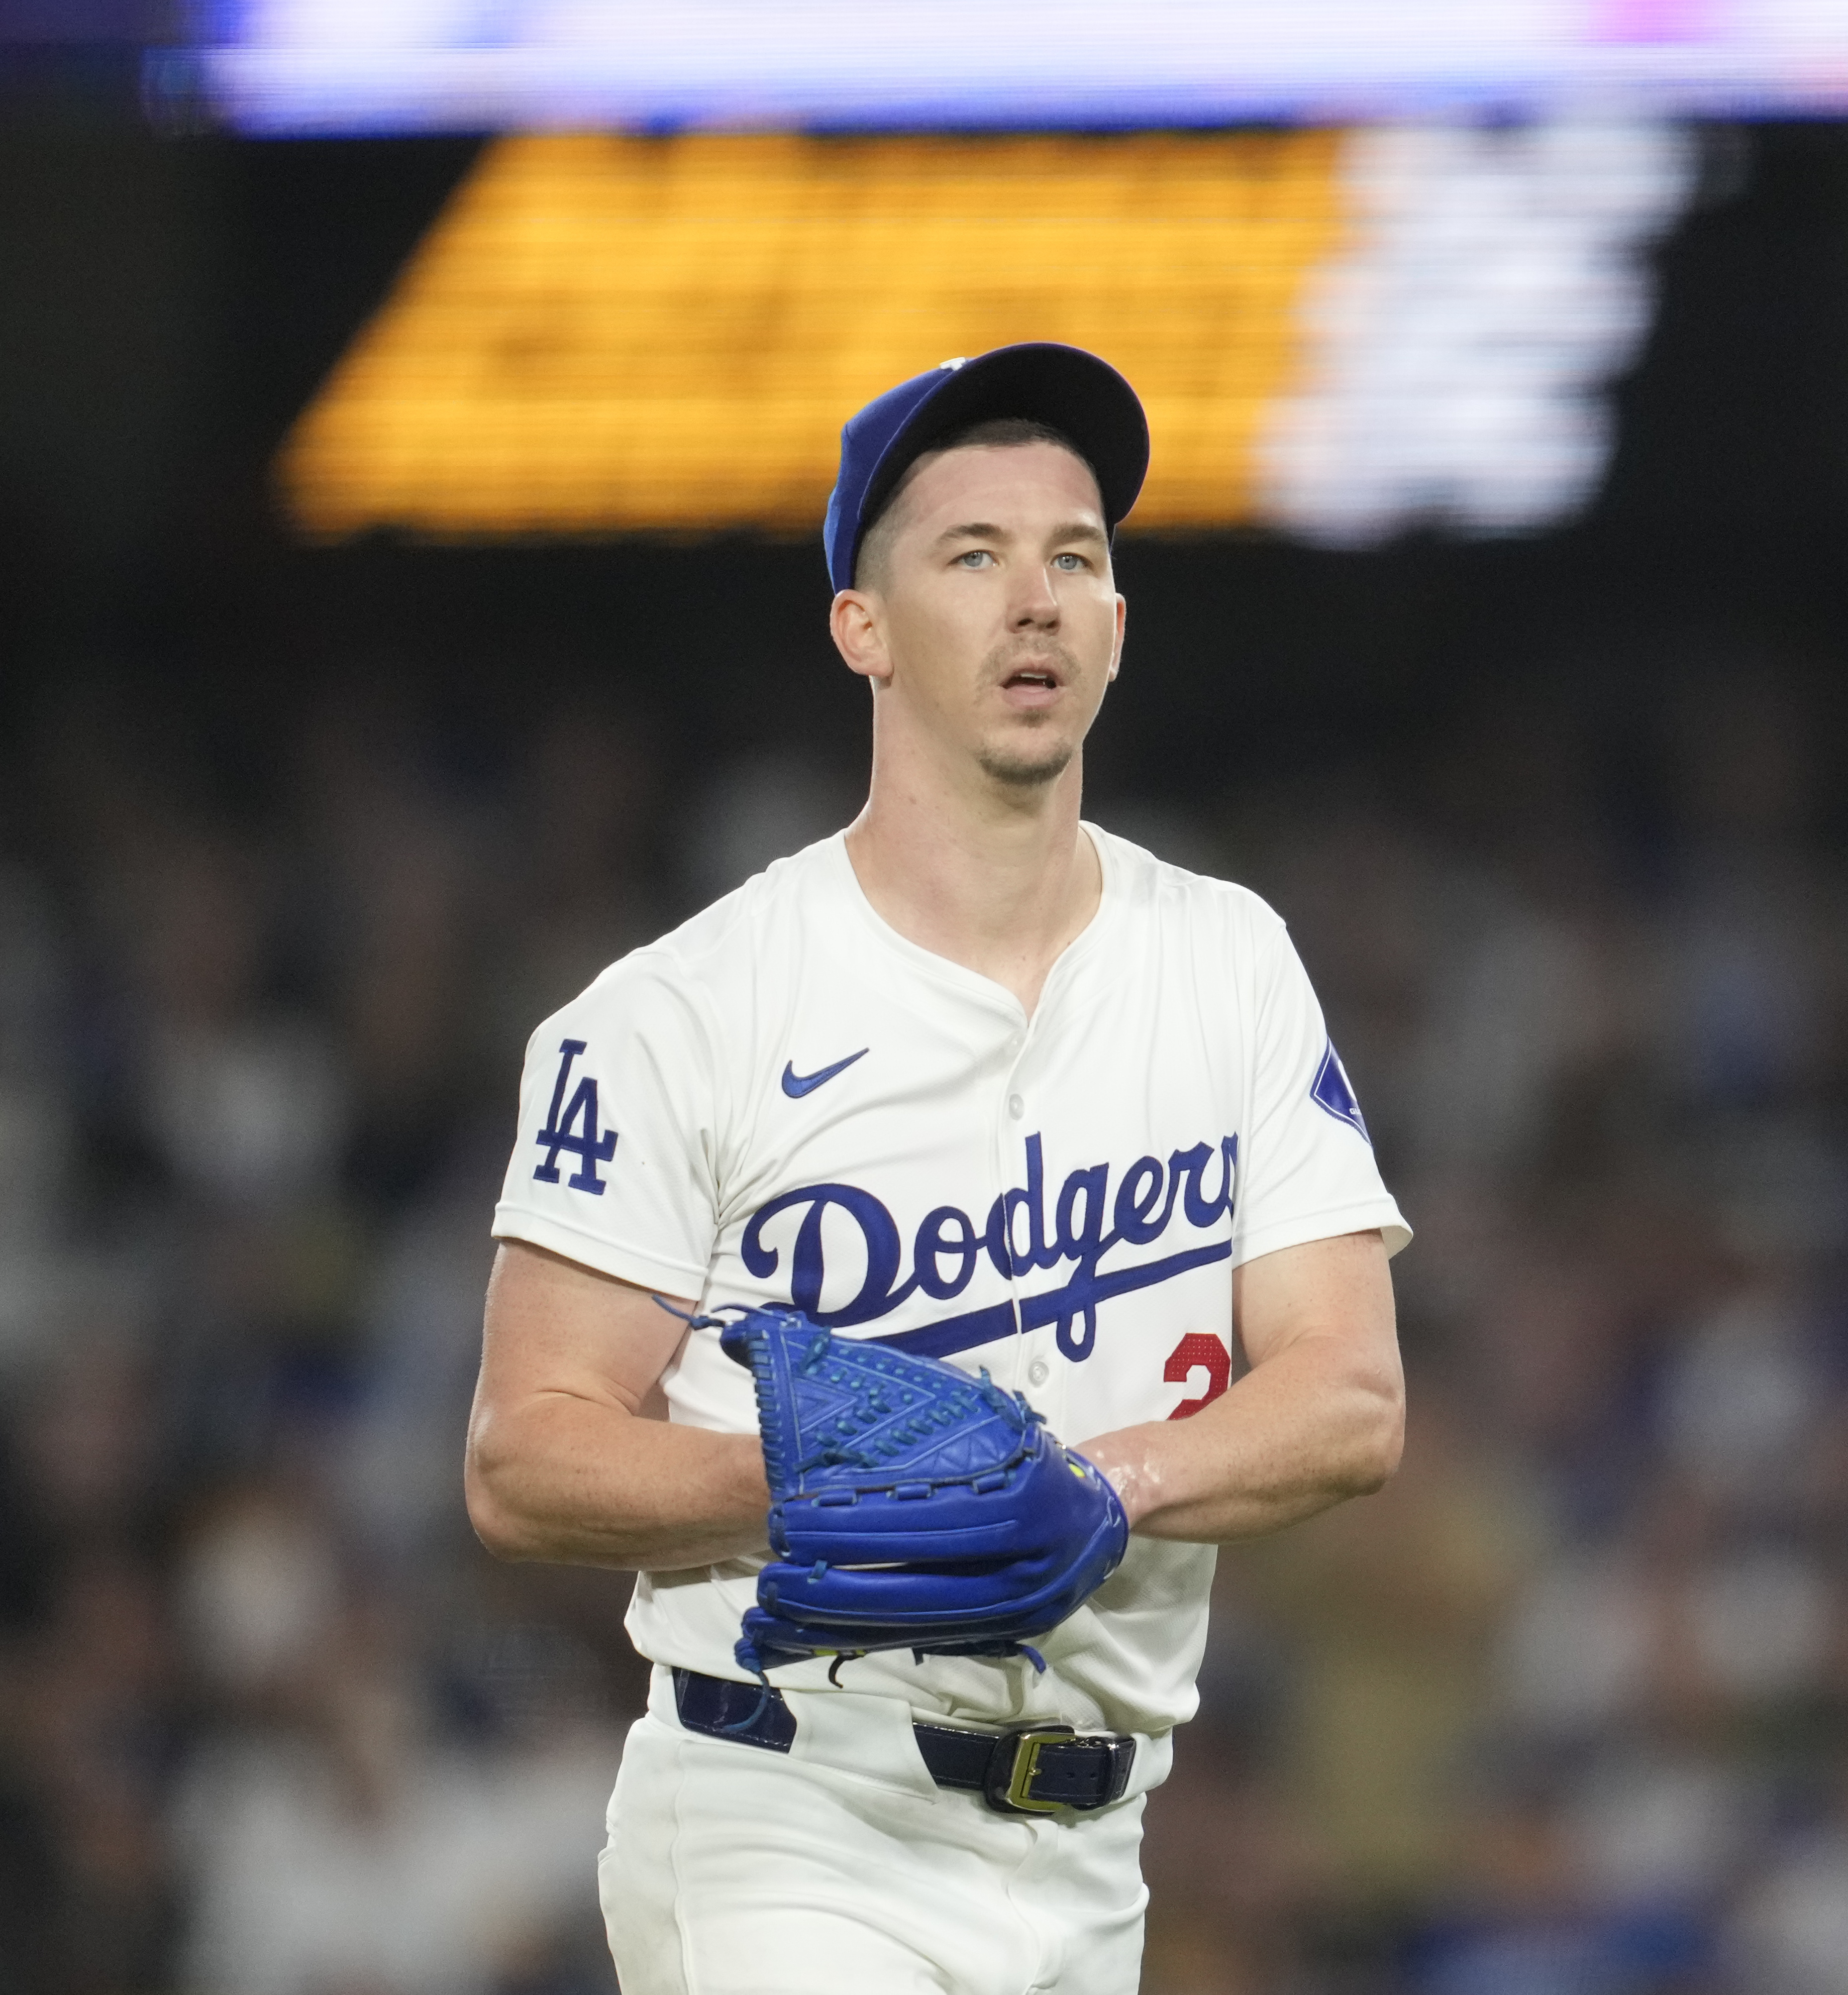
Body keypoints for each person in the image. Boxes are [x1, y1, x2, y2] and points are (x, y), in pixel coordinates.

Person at [463, 342, 1411, 1994]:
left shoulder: (1227, 957)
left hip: (1096, 1852)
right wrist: (839, 1482)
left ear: (1118, 623)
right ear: (864, 628)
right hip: (794, 1807)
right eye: (971, 557)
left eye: (1077, 557)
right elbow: (522, 1457)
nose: (1033, 599)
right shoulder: (681, 1008)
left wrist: (1104, 1483)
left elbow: (1350, 1396)